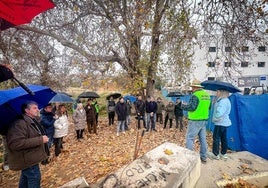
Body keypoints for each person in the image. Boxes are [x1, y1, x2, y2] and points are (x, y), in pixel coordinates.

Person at [6, 101, 49, 188]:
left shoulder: (31, 120)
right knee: (34, 178)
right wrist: (40, 140)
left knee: (25, 178)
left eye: (37, 107)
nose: (38, 110)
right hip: (27, 159)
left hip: (30, 158)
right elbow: (15, 143)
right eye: (34, 108)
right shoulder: (19, 124)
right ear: (27, 110)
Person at [181, 79, 211, 164]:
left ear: (194, 87)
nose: (192, 89)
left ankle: (189, 159)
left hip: (195, 121)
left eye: (192, 87)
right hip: (204, 121)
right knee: (203, 139)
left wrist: (183, 105)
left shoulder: (195, 95)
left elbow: (192, 107)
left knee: (190, 138)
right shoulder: (207, 95)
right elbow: (209, 107)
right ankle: (203, 157)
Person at [209, 89, 231, 160]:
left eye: (217, 91)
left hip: (220, 123)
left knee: (216, 138)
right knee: (223, 138)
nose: (216, 93)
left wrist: (215, 118)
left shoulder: (222, 101)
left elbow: (219, 113)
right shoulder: (226, 100)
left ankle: (216, 154)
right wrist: (215, 103)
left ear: (221, 92)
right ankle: (223, 153)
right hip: (224, 123)